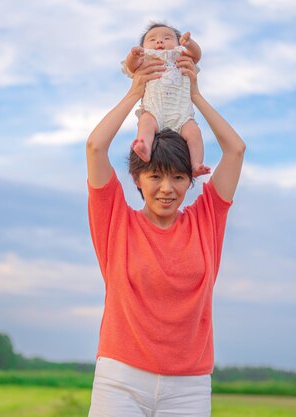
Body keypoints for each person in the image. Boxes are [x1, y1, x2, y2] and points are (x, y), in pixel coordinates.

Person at [85, 48, 246, 416]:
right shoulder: (115, 221)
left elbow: (235, 150)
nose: (166, 188)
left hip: (188, 385)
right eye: (155, 176)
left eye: (177, 177)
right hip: (120, 378)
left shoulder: (206, 219)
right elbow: (95, 146)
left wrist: (193, 96)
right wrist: (134, 94)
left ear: (191, 180)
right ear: (137, 180)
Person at [123, 23, 211, 177]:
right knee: (146, 122)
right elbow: (131, 67)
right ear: (143, 47)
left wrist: (190, 44)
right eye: (152, 39)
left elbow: (197, 55)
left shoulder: (181, 56)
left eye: (167, 38)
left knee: (194, 132)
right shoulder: (145, 60)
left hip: (181, 114)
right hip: (154, 110)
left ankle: (196, 163)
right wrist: (133, 55)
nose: (159, 42)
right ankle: (144, 147)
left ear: (178, 44)